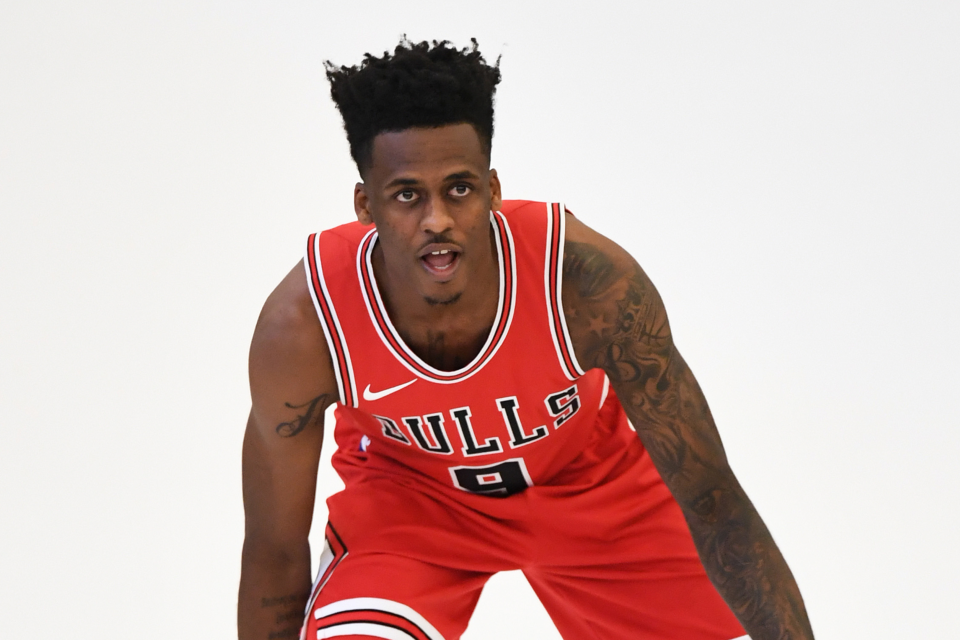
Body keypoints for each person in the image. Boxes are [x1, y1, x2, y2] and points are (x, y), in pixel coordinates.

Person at [238, 38, 814, 640]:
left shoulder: (583, 283)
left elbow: (710, 492)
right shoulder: (305, 324)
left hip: (595, 489)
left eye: (458, 188)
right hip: (411, 507)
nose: (437, 219)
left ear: (492, 191)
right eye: (407, 194)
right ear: (366, 206)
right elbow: (273, 548)